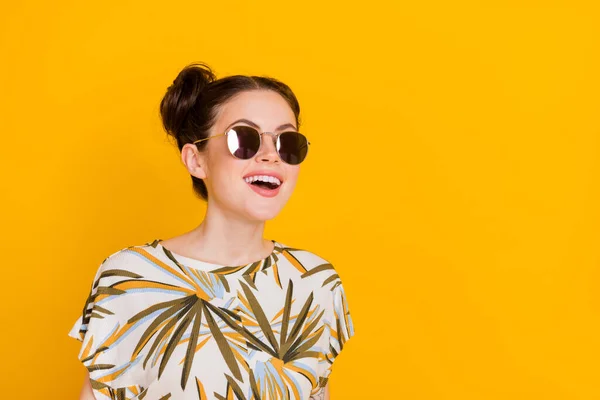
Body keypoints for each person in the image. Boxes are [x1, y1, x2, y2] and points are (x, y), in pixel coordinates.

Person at [68, 62, 355, 400]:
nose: (270, 155)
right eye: (244, 138)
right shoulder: (130, 278)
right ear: (196, 160)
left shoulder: (315, 282)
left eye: (286, 142)